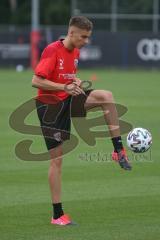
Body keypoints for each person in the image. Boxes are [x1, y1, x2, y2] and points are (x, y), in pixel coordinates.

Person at [32, 16, 132, 226]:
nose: (86, 41)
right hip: (49, 107)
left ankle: (118, 150)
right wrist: (64, 87)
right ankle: (57, 215)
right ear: (71, 33)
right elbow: (36, 80)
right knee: (57, 160)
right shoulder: (52, 50)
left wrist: (73, 81)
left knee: (106, 96)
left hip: (67, 100)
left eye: (88, 37)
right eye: (84, 37)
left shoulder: (75, 51)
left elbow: (67, 78)